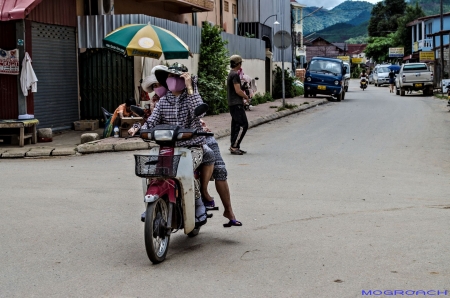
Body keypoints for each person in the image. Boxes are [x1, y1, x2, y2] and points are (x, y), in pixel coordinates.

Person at [129, 63, 215, 227]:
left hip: (191, 147)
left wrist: (190, 88)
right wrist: (139, 129)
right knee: (153, 171)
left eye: (177, 77)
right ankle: (151, 207)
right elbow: (151, 121)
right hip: (166, 147)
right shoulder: (162, 102)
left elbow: (200, 111)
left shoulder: (191, 97)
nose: (173, 80)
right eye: (170, 76)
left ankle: (198, 205)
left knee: (186, 170)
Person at [227, 55, 250, 155]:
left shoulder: (231, 74)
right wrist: (246, 97)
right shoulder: (235, 75)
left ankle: (234, 145)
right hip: (236, 104)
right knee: (243, 125)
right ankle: (234, 146)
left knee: (236, 125)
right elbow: (237, 90)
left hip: (233, 103)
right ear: (238, 64)